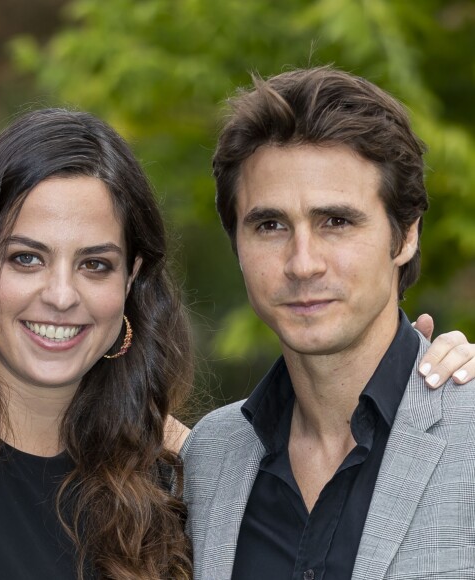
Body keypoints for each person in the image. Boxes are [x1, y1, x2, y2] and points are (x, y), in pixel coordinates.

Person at [182, 66, 475, 579]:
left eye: (336, 222)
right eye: (269, 225)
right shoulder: (209, 459)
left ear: (405, 236)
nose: (302, 263)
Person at [0, 108, 193, 579]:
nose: (60, 296)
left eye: (94, 265)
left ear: (131, 280)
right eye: (26, 258)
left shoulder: (176, 469)